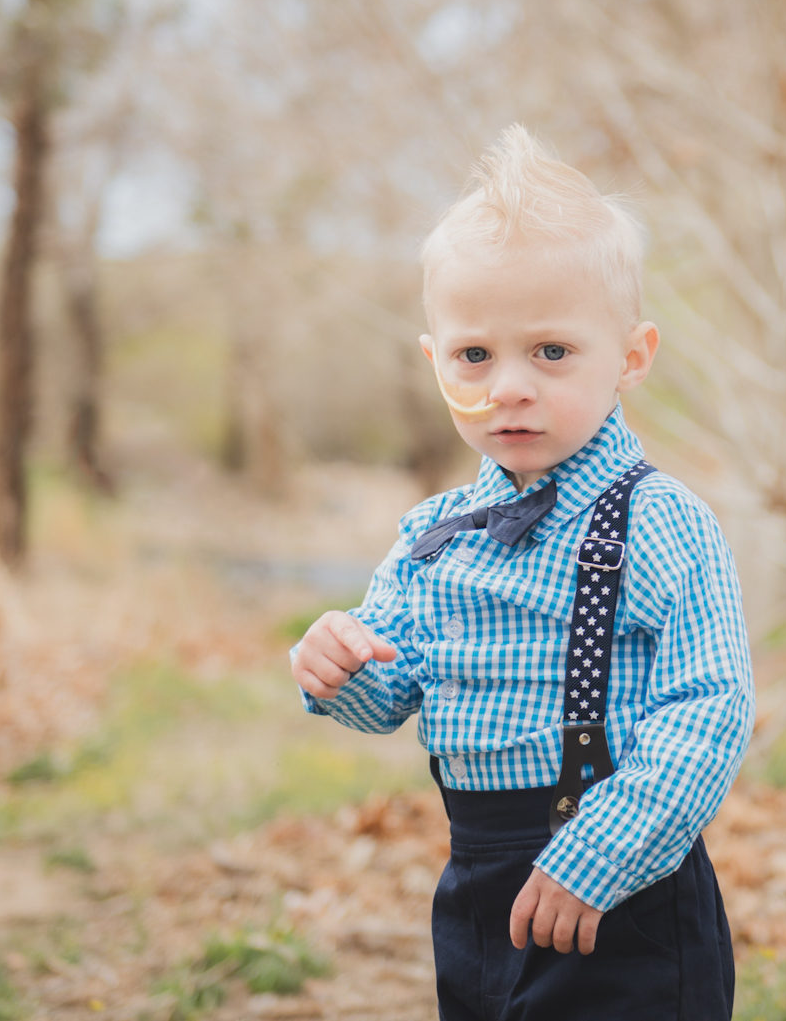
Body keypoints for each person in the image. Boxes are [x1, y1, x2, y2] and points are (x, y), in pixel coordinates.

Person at [289, 125, 754, 1021]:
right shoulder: (431, 537)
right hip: (478, 881)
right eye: (475, 355)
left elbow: (709, 706)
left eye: (550, 352)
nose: (509, 386)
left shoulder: (662, 522)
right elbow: (397, 691)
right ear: (436, 364)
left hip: (622, 882)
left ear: (631, 354)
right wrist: (342, 667)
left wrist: (600, 853)